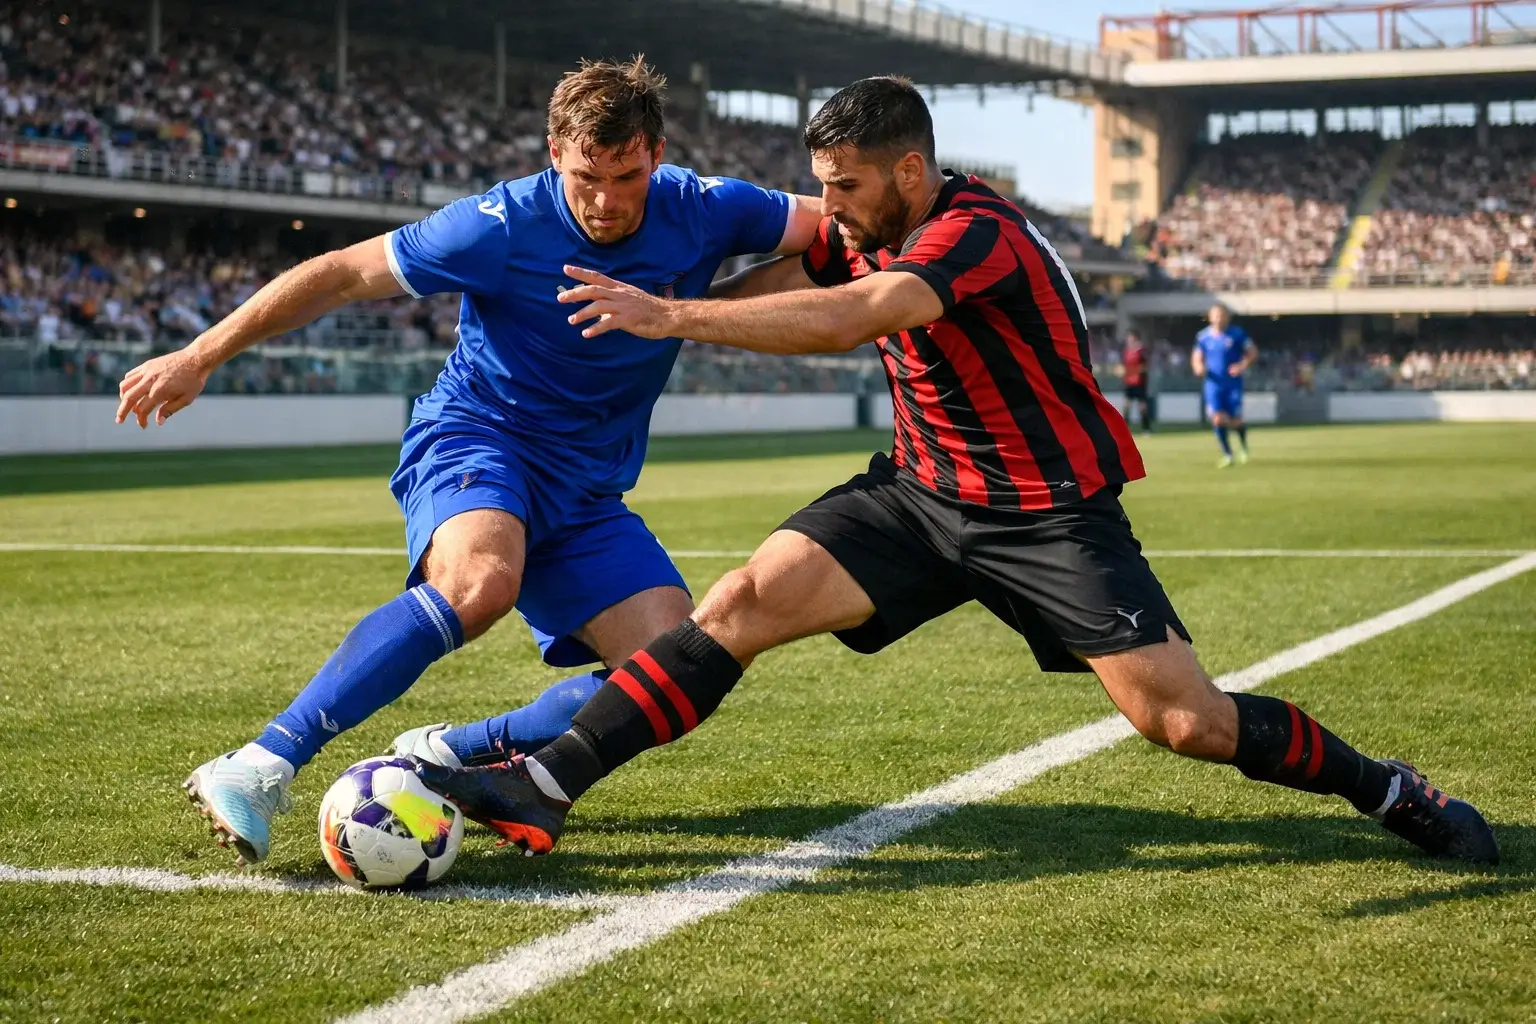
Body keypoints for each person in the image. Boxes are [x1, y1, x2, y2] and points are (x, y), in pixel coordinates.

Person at [410, 76, 1498, 866]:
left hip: (1048, 516)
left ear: (910, 173)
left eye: (843, 186)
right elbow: (796, 277)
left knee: (1186, 724)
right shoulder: (863, 221)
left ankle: (1390, 789)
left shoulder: (977, 234)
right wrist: (645, 325)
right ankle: (543, 781)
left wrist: (672, 312)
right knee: (737, 602)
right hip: (922, 495)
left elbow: (861, 314)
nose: (827, 206)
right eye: (821, 186)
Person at [112, 57, 820, 865]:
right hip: (480, 437)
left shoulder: (706, 207)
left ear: (656, 155)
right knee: (479, 584)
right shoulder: (500, 224)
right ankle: (260, 764)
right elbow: (342, 272)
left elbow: (829, 228)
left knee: (674, 671)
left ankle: (455, 750)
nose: (607, 200)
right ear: (556, 153)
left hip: (586, 489)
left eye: (626, 176)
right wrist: (203, 353)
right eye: (588, 175)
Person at [1191, 304, 1255, 468]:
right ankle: (1228, 454)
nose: (1219, 318)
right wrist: (1198, 367)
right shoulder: (1203, 336)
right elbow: (1197, 357)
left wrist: (1242, 366)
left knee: (1235, 421)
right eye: (1216, 315)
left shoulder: (1237, 334)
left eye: (1222, 315)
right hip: (1213, 384)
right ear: (1210, 317)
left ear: (1227, 317)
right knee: (1217, 419)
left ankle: (1243, 447)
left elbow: (1252, 352)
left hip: (1233, 384)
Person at [1121, 329, 1152, 433]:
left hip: (1139, 382)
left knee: (1142, 406)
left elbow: (1146, 366)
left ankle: (1146, 428)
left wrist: (1133, 371)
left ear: (1135, 338)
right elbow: (1125, 367)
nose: (1129, 339)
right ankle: (1124, 430)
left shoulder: (1141, 350)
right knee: (1126, 405)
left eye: (1131, 337)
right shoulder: (1126, 351)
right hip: (1129, 382)